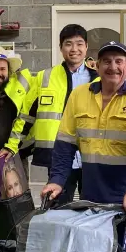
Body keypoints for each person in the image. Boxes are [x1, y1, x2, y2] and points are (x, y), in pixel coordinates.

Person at [41, 41, 126, 252]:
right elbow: (65, 143)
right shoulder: (79, 96)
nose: (113, 67)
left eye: (119, 61)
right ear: (97, 66)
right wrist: (58, 180)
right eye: (107, 61)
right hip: (93, 197)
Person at [21, 24, 99, 205]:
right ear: (61, 48)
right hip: (60, 160)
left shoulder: (99, 78)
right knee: (58, 212)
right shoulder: (44, 77)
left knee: (93, 212)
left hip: (93, 158)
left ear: (86, 47)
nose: (74, 49)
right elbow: (26, 116)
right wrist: (13, 147)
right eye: (68, 44)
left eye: (79, 44)